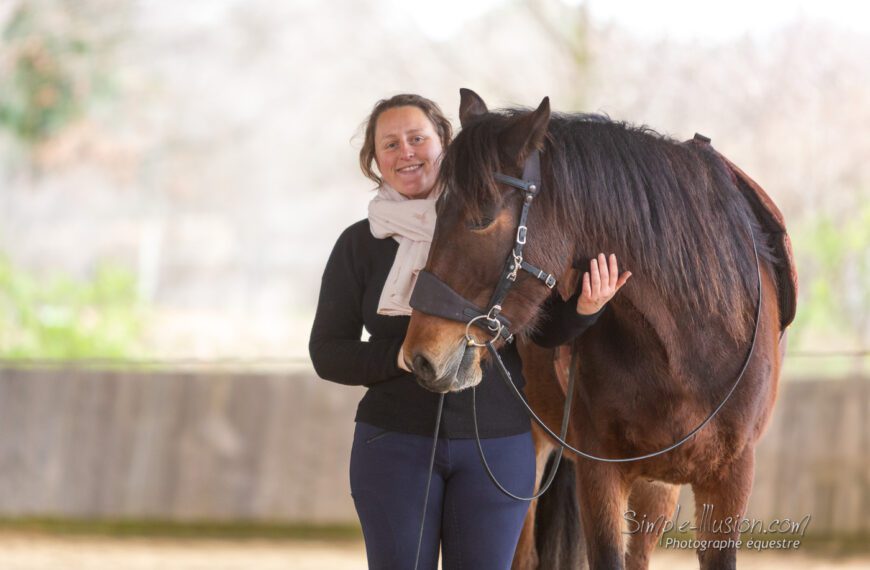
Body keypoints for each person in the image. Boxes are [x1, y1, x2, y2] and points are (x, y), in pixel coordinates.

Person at [309, 94, 630, 570]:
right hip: (393, 446)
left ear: (446, 145)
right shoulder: (359, 244)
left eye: (417, 138)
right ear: (374, 160)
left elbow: (540, 335)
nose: (406, 152)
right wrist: (400, 356)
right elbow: (327, 353)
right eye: (390, 144)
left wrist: (584, 310)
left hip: (496, 449)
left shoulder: (497, 224)